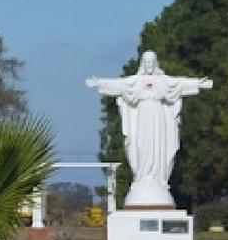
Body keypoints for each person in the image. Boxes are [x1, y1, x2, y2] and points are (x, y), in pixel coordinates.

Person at [86, 50, 212, 207]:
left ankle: (157, 178)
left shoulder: (162, 81)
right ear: (142, 64)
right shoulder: (135, 81)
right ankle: (142, 177)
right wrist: (100, 83)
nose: (149, 66)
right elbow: (119, 84)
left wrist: (198, 83)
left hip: (157, 116)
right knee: (141, 146)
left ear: (155, 63)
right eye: (146, 63)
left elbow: (178, 83)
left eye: (151, 63)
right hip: (142, 116)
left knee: (158, 147)